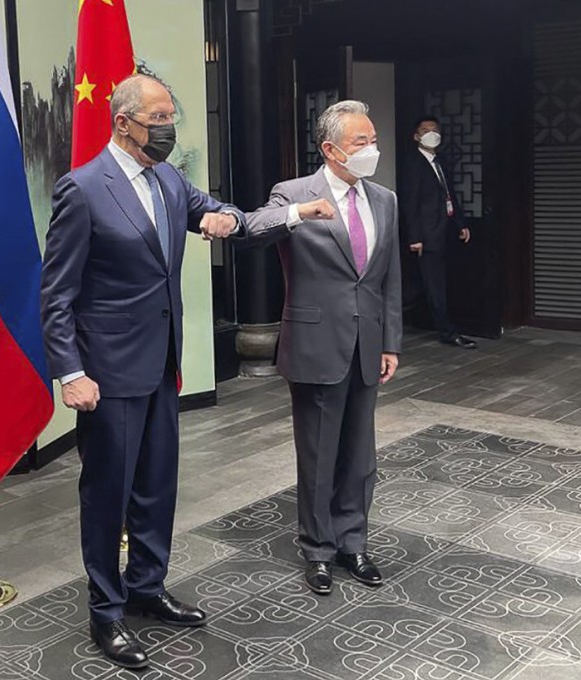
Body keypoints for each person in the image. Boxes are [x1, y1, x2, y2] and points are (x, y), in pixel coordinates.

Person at [40, 74, 244, 670]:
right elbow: (56, 295)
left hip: (161, 364)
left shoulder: (169, 178)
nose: (168, 127)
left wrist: (226, 217)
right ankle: (106, 611)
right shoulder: (82, 189)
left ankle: (146, 589)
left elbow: (215, 209)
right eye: (157, 117)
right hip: (105, 373)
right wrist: (69, 371)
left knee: (157, 486)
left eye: (169, 116)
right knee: (107, 495)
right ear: (123, 121)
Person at [246, 100, 402, 596]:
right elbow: (250, 232)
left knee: (360, 454)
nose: (371, 149)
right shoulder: (293, 193)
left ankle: (353, 541)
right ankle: (317, 549)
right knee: (318, 454)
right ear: (331, 149)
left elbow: (388, 278)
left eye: (373, 140)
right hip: (315, 344)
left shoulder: (384, 199)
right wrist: (297, 214)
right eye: (361, 142)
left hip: (368, 343)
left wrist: (390, 341)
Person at [400, 116, 477, 349]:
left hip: (444, 231)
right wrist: (415, 237)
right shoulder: (413, 164)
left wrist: (460, 224)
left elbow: (449, 196)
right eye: (425, 130)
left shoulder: (440, 161)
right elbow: (410, 203)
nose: (431, 133)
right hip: (426, 235)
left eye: (435, 130)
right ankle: (447, 332)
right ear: (416, 136)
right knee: (432, 287)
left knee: (427, 285)